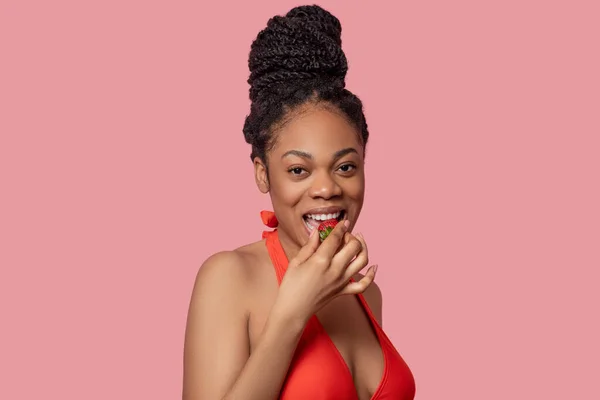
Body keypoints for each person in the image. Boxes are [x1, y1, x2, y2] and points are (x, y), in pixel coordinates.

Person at [183, 5, 416, 400]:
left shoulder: (366, 292)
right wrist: (292, 313)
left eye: (345, 166)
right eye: (298, 171)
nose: (327, 188)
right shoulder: (228, 278)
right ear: (262, 173)